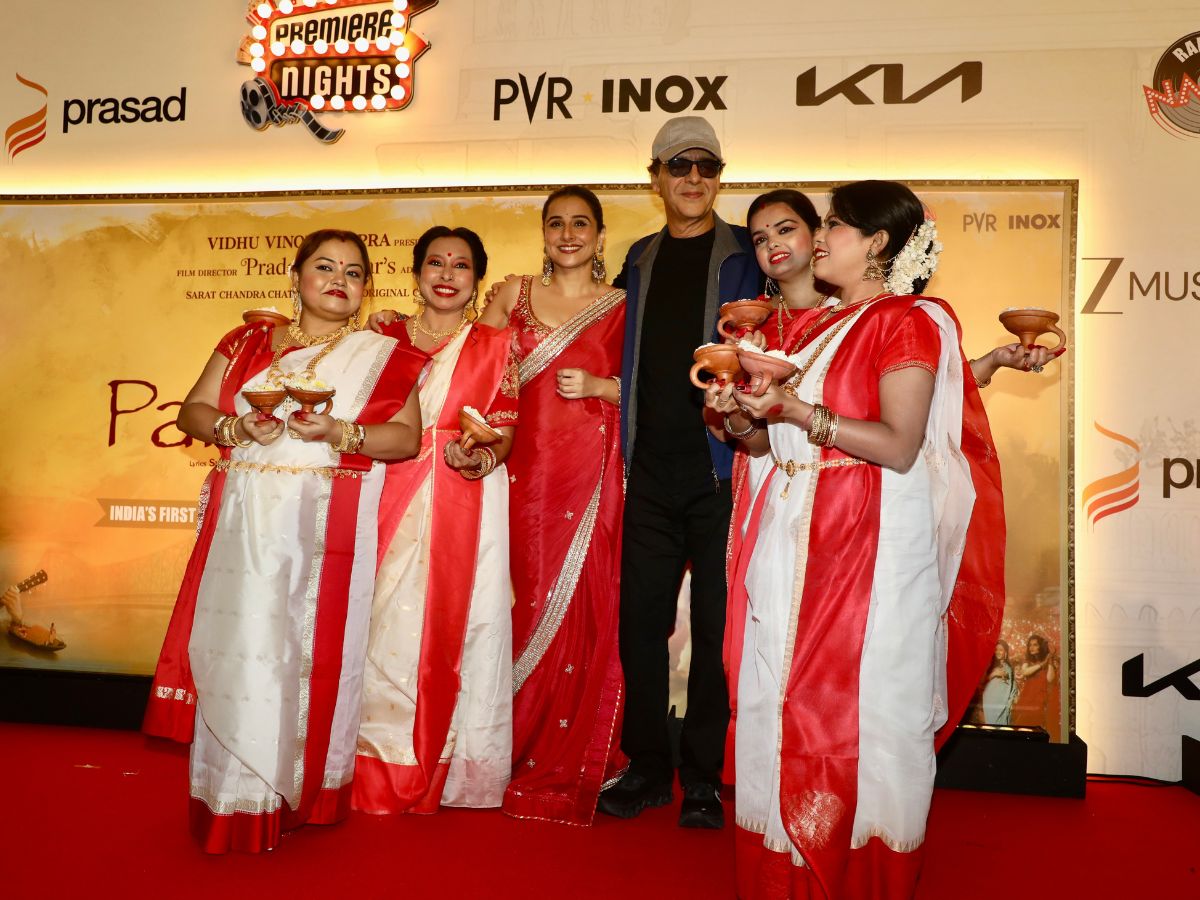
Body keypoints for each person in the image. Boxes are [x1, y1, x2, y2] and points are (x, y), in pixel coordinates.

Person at [707, 180, 1006, 898]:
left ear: (876, 242)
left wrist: (794, 410)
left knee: (869, 712)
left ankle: (860, 876)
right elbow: (764, 446)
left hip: (871, 548)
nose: (817, 238)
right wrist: (741, 415)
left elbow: (899, 445)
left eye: (834, 224)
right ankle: (782, 874)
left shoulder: (910, 320)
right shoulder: (811, 328)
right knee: (776, 703)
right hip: (791, 539)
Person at [143, 229, 425, 853]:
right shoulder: (245, 341)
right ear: (295, 278)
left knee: (304, 656)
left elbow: (406, 438)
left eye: (353, 272)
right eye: (324, 267)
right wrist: (234, 426)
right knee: (240, 648)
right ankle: (235, 798)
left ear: (366, 288)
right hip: (243, 527)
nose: (339, 280)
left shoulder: (384, 355)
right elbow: (193, 411)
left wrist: (340, 433)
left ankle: (303, 795)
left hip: (325, 533)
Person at [596, 115, 761, 830]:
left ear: (719, 177)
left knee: (716, 630)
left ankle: (702, 776)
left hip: (722, 472)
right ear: (656, 178)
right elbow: (597, 338)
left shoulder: (748, 255)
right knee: (640, 625)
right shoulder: (638, 258)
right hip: (649, 473)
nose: (694, 178)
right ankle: (646, 765)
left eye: (707, 166)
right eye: (679, 165)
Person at [353, 226, 520, 814]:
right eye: (436, 263)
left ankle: (448, 765)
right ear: (417, 272)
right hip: (386, 486)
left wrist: (481, 458)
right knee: (379, 622)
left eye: (461, 266)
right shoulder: (382, 338)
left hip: (464, 495)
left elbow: (505, 429)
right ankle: (368, 760)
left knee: (460, 623)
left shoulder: (496, 345)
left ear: (477, 279)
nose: (447, 275)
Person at [474, 186, 627, 825]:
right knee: (523, 595)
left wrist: (601, 386)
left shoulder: (623, 305)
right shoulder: (513, 295)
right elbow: (469, 368)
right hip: (521, 472)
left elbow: (649, 390)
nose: (568, 234)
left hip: (590, 476)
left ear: (599, 235)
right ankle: (500, 742)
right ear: (543, 233)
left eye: (581, 224)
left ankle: (571, 748)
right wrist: (403, 332)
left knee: (584, 605)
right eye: (556, 223)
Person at [1013, 633, 1060, 736]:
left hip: (1040, 700)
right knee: (1020, 728)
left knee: (1035, 730)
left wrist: (1049, 659)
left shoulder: (1049, 662)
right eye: (1030, 645)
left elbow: (1050, 679)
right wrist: (1042, 664)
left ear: (1041, 647)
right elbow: (1025, 672)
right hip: (1026, 699)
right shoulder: (1028, 661)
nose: (1031, 647)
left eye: (1035, 645)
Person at [980, 640, 1019, 725]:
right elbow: (982, 683)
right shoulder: (989, 665)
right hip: (989, 702)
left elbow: (1011, 687)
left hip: (1002, 703)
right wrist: (994, 674)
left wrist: (1010, 700)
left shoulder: (1009, 668)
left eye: (1001, 650)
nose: (998, 652)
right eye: (996, 649)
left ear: (1005, 653)